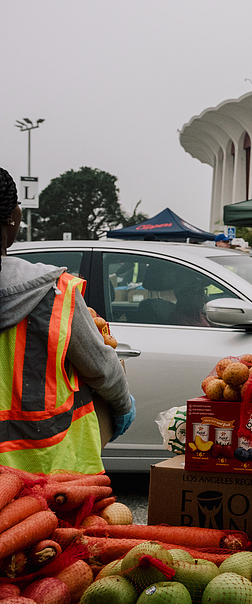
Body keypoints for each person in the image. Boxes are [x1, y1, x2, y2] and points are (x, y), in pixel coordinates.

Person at [0, 167, 136, 474]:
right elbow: (103, 371)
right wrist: (125, 407)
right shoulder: (55, 292)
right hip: (54, 473)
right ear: (14, 216)